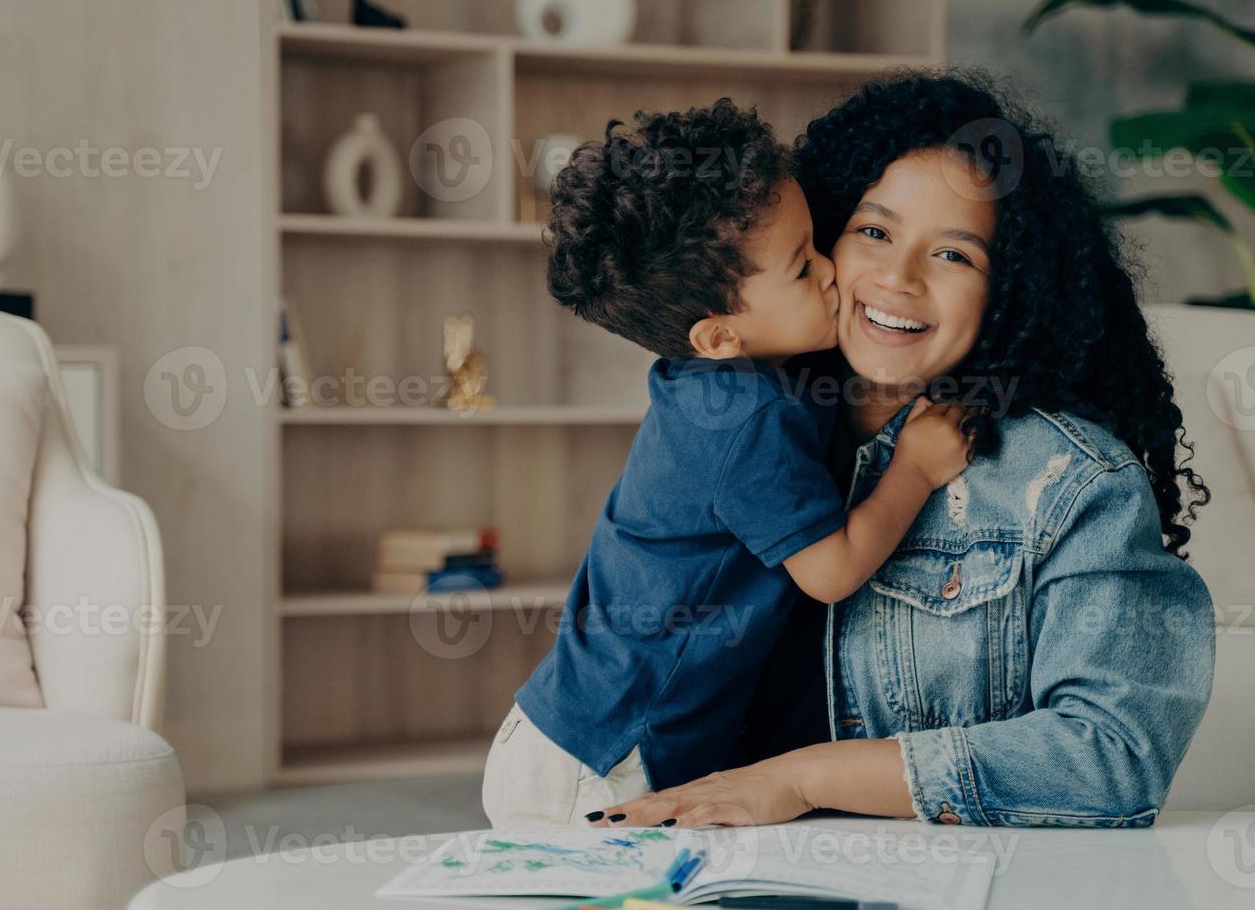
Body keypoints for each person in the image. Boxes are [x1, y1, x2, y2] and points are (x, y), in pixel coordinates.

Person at [589, 72, 1216, 830]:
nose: (897, 278)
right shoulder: (749, 427)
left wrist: (799, 780)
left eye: (955, 256)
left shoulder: (1071, 484)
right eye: (874, 232)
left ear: (1012, 287)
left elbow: (1113, 757)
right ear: (818, 240)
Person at [481, 99, 973, 829]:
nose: (834, 269)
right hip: (605, 763)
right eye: (803, 268)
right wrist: (917, 467)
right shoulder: (747, 419)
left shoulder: (718, 385)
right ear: (718, 336)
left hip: (571, 733)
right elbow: (832, 572)